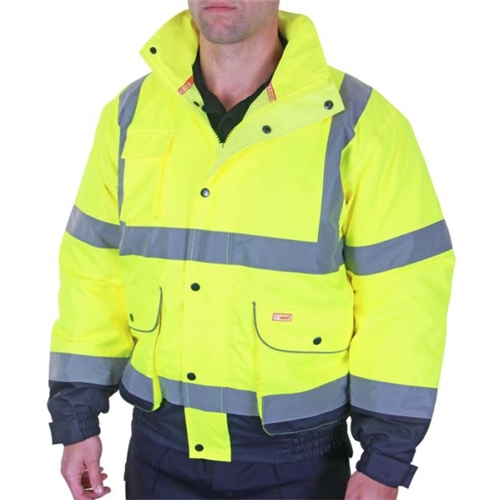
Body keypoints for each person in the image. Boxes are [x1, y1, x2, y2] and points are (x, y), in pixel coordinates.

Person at [48, 1, 455, 499]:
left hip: (297, 466)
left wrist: (385, 459)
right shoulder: (130, 115)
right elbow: (93, 270)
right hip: (159, 453)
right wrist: (76, 417)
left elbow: (403, 294)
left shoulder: (358, 122)